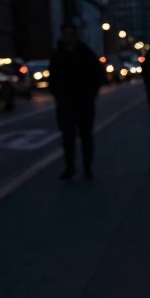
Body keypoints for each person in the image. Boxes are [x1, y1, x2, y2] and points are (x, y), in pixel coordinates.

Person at [49, 22, 104, 180]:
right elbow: (52, 78)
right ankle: (70, 167)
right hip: (65, 103)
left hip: (84, 102)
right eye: (66, 34)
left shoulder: (86, 54)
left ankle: (87, 168)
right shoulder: (58, 55)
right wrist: (58, 95)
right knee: (68, 136)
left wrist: (90, 95)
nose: (68, 37)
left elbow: (97, 76)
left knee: (86, 136)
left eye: (71, 34)